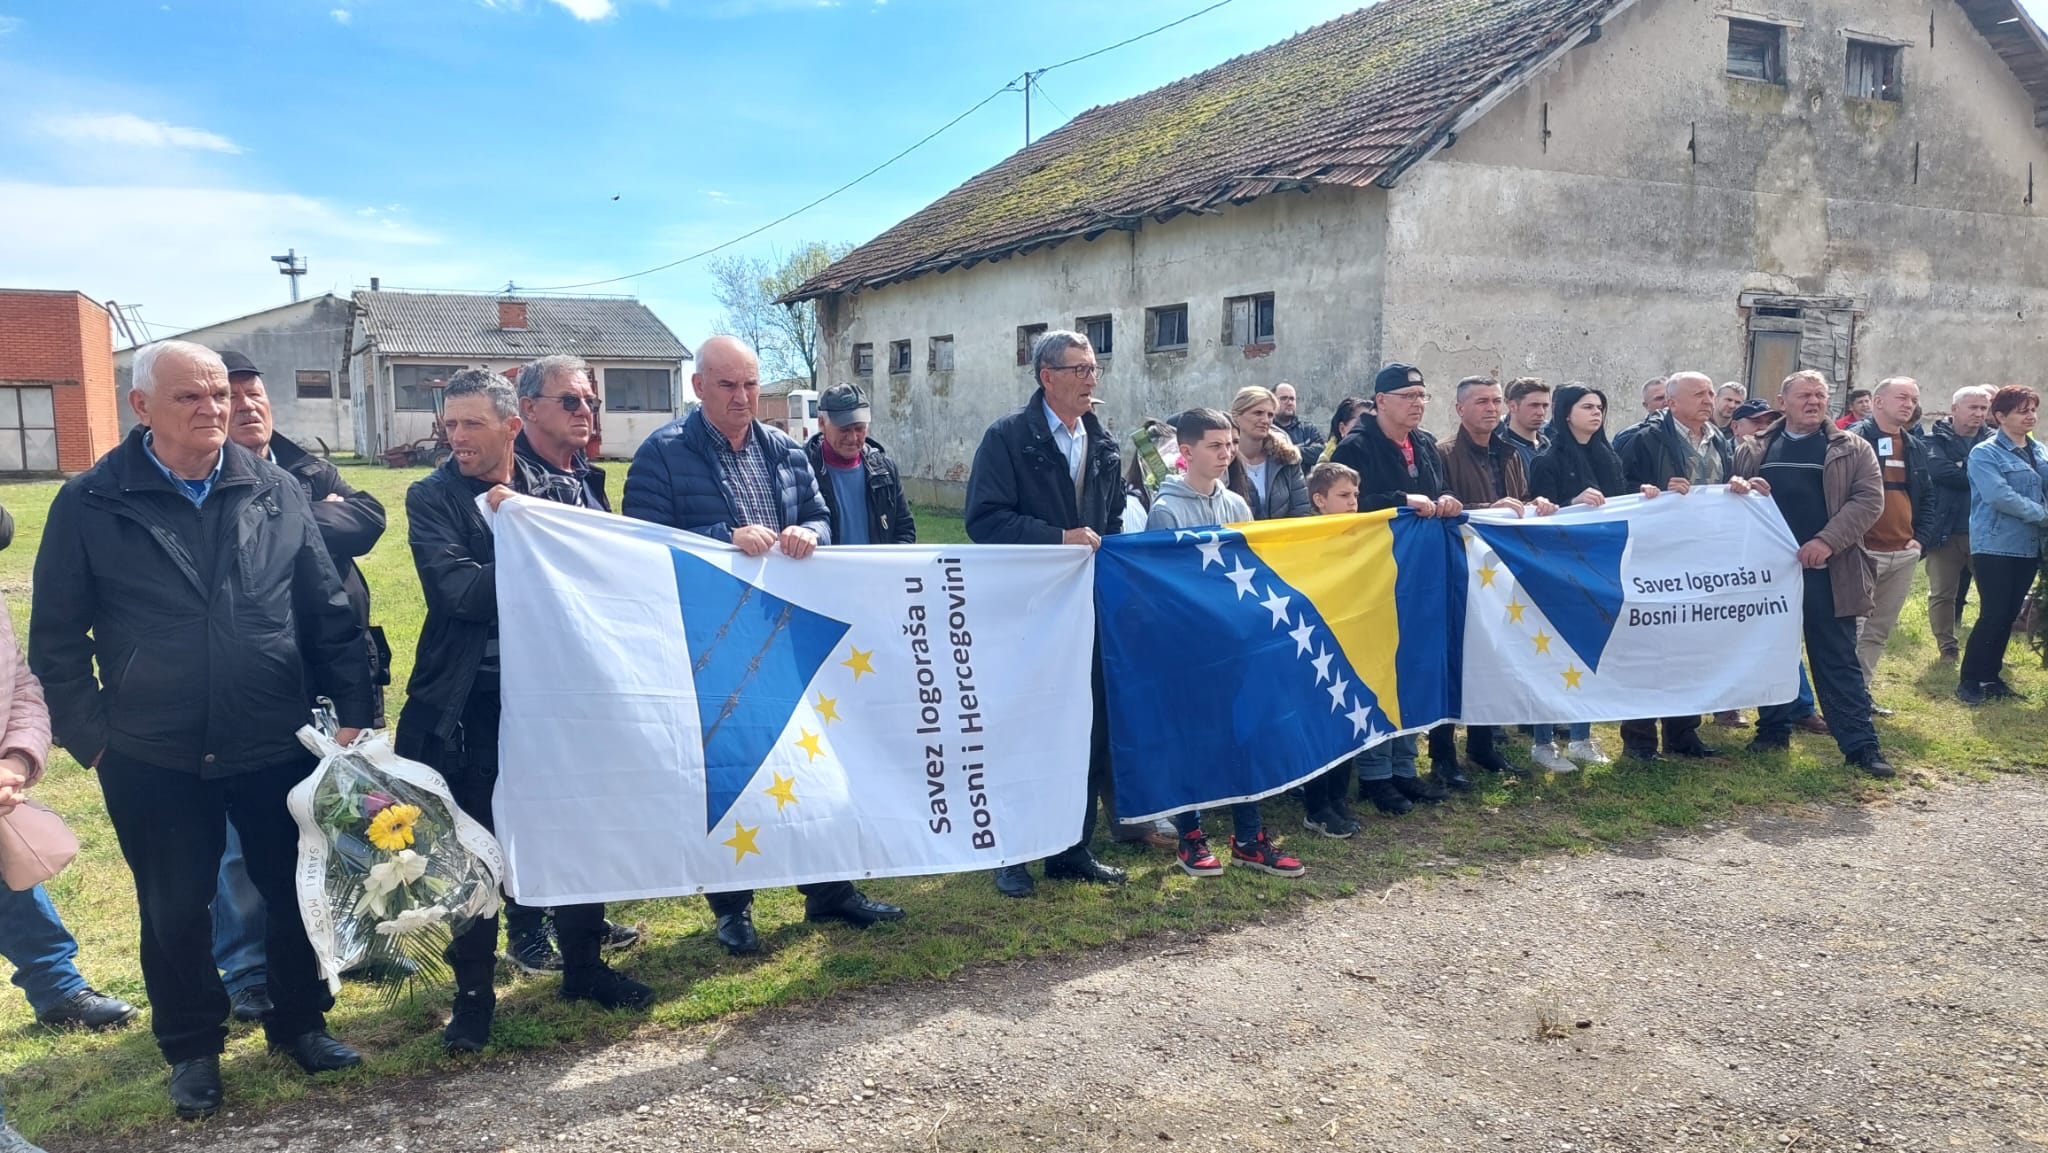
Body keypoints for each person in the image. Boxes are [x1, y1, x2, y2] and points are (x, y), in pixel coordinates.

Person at [29, 341, 371, 1119]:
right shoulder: (90, 500)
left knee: (293, 889)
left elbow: (324, 607)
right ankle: (191, 1047)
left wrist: (353, 706)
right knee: (175, 907)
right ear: (141, 406)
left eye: (219, 393)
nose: (214, 408)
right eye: (190, 396)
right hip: (150, 750)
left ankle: (300, 1022)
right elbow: (56, 637)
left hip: (271, 734)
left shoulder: (274, 487)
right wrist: (93, 736)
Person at [398, 369, 655, 1052]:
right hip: (473, 705)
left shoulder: (556, 493)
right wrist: (536, 544)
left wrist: (534, 527)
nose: (456, 437)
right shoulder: (432, 497)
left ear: (512, 426)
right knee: (477, 852)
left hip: (561, 700)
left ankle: (584, 968)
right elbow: (459, 594)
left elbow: (605, 576)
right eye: (450, 423)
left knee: (578, 831)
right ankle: (473, 998)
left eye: (472, 424)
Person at [625, 336, 906, 942]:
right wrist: (722, 536)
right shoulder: (662, 454)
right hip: (711, 639)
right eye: (728, 385)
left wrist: (810, 533)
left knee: (813, 759)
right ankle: (733, 909)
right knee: (731, 771)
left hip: (787, 632)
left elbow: (819, 516)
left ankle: (829, 891)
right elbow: (641, 543)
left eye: (750, 384)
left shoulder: (781, 449)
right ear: (698, 387)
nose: (742, 397)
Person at [211, 348, 393, 1021]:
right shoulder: (206, 484)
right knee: (245, 844)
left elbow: (369, 519)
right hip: (261, 686)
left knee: (347, 814)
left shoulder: (304, 465)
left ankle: (352, 941)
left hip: (335, 675)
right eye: (232, 396)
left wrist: (293, 514)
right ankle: (248, 969)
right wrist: (313, 514)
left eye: (255, 394)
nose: (248, 406)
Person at [963, 329, 1129, 898]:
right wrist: (1058, 539)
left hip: (1084, 610)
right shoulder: (1008, 437)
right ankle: (1010, 852)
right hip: (1026, 611)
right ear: (1047, 376)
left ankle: (1070, 847)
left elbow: (1111, 523)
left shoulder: (1103, 443)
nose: (1091, 378)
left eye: (1094, 368)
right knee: (1022, 727)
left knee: (1084, 725)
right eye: (1079, 369)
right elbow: (984, 520)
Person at [500, 357, 648, 973]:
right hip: (533, 669)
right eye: (570, 401)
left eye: (590, 401)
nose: (584, 411)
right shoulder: (510, 482)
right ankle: (527, 928)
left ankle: (580, 913)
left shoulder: (587, 476)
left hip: (588, 663)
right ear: (528, 409)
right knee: (535, 797)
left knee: (588, 796)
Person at [1144, 409, 1305, 878]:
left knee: (1244, 734)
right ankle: (1191, 835)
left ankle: (1249, 837)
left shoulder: (1237, 504)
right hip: (1189, 648)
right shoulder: (1166, 510)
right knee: (1192, 738)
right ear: (1187, 452)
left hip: (1235, 645)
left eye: (1230, 445)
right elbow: (1162, 585)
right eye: (1215, 446)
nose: (1227, 454)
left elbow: (1252, 570)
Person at [1734, 370, 1897, 778]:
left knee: (1837, 659)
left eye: (1820, 396)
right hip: (1769, 573)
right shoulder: (1754, 447)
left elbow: (1868, 502)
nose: (1814, 402)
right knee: (1771, 652)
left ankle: (1861, 746)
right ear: (1782, 401)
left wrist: (1826, 541)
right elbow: (1734, 501)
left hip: (1829, 570)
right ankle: (1772, 730)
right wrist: (1742, 487)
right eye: (1804, 395)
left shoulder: (1851, 447)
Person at [1329, 364, 1463, 813]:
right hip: (1374, 578)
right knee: (1378, 669)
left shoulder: (1424, 443)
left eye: (1422, 395)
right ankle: (1375, 775)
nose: (1417, 404)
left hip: (1419, 576)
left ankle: (1405, 768)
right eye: (1408, 396)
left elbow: (1439, 488)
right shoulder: (1356, 446)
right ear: (1381, 401)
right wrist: (1400, 501)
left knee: (1412, 666)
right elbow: (1347, 505)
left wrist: (1447, 500)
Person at [1523, 384, 1655, 771]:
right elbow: (1539, 511)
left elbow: (1620, 497)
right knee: (1551, 655)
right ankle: (1543, 743)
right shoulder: (1547, 460)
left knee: (1590, 650)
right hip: (1558, 571)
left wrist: (1644, 493)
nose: (1596, 413)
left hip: (1600, 569)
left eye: (1600, 407)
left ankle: (1581, 737)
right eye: (1587, 407)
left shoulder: (1608, 456)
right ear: (1567, 413)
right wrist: (1572, 504)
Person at [1435, 377, 1555, 780]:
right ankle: (1442, 755)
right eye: (1481, 401)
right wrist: (1490, 508)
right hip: (1458, 571)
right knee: (1454, 662)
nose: (1491, 408)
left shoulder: (1511, 453)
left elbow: (1519, 503)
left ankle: (1483, 745)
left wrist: (1535, 504)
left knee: (1493, 655)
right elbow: (1442, 510)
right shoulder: (1442, 453)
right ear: (1460, 409)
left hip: (1502, 573)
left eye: (1496, 401)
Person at [1616, 371, 1731, 760]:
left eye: (1710, 392)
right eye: (1699, 393)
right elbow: (1619, 489)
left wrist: (1743, 487)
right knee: (1649, 648)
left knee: (1691, 647)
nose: (1708, 399)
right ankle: (1639, 738)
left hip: (1702, 559)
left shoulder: (1720, 440)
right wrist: (1653, 494)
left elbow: (1726, 485)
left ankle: (1683, 733)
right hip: (1656, 559)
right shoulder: (1643, 440)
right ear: (1671, 402)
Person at [1956, 385, 2048, 705]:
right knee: (1993, 613)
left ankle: (1990, 678)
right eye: (2022, 411)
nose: (2030, 416)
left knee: (2009, 614)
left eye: (2033, 410)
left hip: (2030, 544)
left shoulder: (2039, 451)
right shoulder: (1985, 453)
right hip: (1995, 544)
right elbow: (1999, 496)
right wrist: (2043, 515)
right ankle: (1969, 680)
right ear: (2000, 416)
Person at [1845, 377, 1933, 696]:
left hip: (1903, 552)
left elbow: (1928, 496)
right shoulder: (1853, 440)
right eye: (1902, 397)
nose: (1909, 404)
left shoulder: (1914, 445)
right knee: (1852, 630)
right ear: (1878, 402)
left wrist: (1920, 540)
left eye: (1914, 399)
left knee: (1878, 631)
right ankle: (1841, 700)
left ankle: (1861, 695)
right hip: (1861, 551)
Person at [1298, 461, 1368, 837]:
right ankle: (1317, 805)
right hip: (1318, 644)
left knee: (1349, 718)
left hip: (1352, 638)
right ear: (1319, 500)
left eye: (1355, 494)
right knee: (1321, 721)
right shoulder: (1303, 538)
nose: (1353, 502)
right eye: (1343, 495)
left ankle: (1338, 797)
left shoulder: (1362, 535)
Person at [1924, 386, 1995, 662]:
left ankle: (1989, 647)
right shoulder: (1933, 440)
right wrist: (1979, 473)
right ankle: (1947, 648)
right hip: (1946, 530)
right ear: (1954, 409)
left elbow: (1996, 477)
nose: (1979, 413)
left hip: (1987, 532)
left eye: (1983, 408)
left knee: (1993, 595)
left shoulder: (1996, 441)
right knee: (1942, 593)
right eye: (1973, 407)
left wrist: (1962, 465)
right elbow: (1939, 471)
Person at [804, 383, 916, 546]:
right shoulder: (801, 470)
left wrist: (891, 560)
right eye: (844, 429)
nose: (853, 438)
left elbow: (904, 530)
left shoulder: (885, 470)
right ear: (822, 424)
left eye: (859, 428)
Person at [1226, 387, 1312, 519]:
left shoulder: (1287, 458)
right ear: (1236, 416)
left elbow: (1301, 510)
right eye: (1258, 413)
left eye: (1270, 415)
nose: (1266, 420)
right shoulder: (1223, 460)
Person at [1498, 377, 1551, 474]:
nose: (1541, 412)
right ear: (1512, 406)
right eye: (1534, 405)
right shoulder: (1501, 452)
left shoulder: (1548, 445)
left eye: (1545, 406)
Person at [1611, 377, 1668, 454]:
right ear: (1646, 405)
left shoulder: (1683, 431)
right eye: (1660, 398)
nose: (1667, 402)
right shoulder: (1629, 437)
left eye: (1670, 396)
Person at [1317, 396, 1372, 468]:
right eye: (1362, 422)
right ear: (1342, 428)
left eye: (1374, 423)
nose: (1370, 428)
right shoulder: (1326, 468)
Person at [1270, 382, 1312, 455]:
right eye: (1284, 398)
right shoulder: (1267, 429)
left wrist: (1285, 451)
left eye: (1292, 399)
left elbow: (1319, 453)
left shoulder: (1308, 429)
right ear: (1273, 402)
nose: (1290, 403)